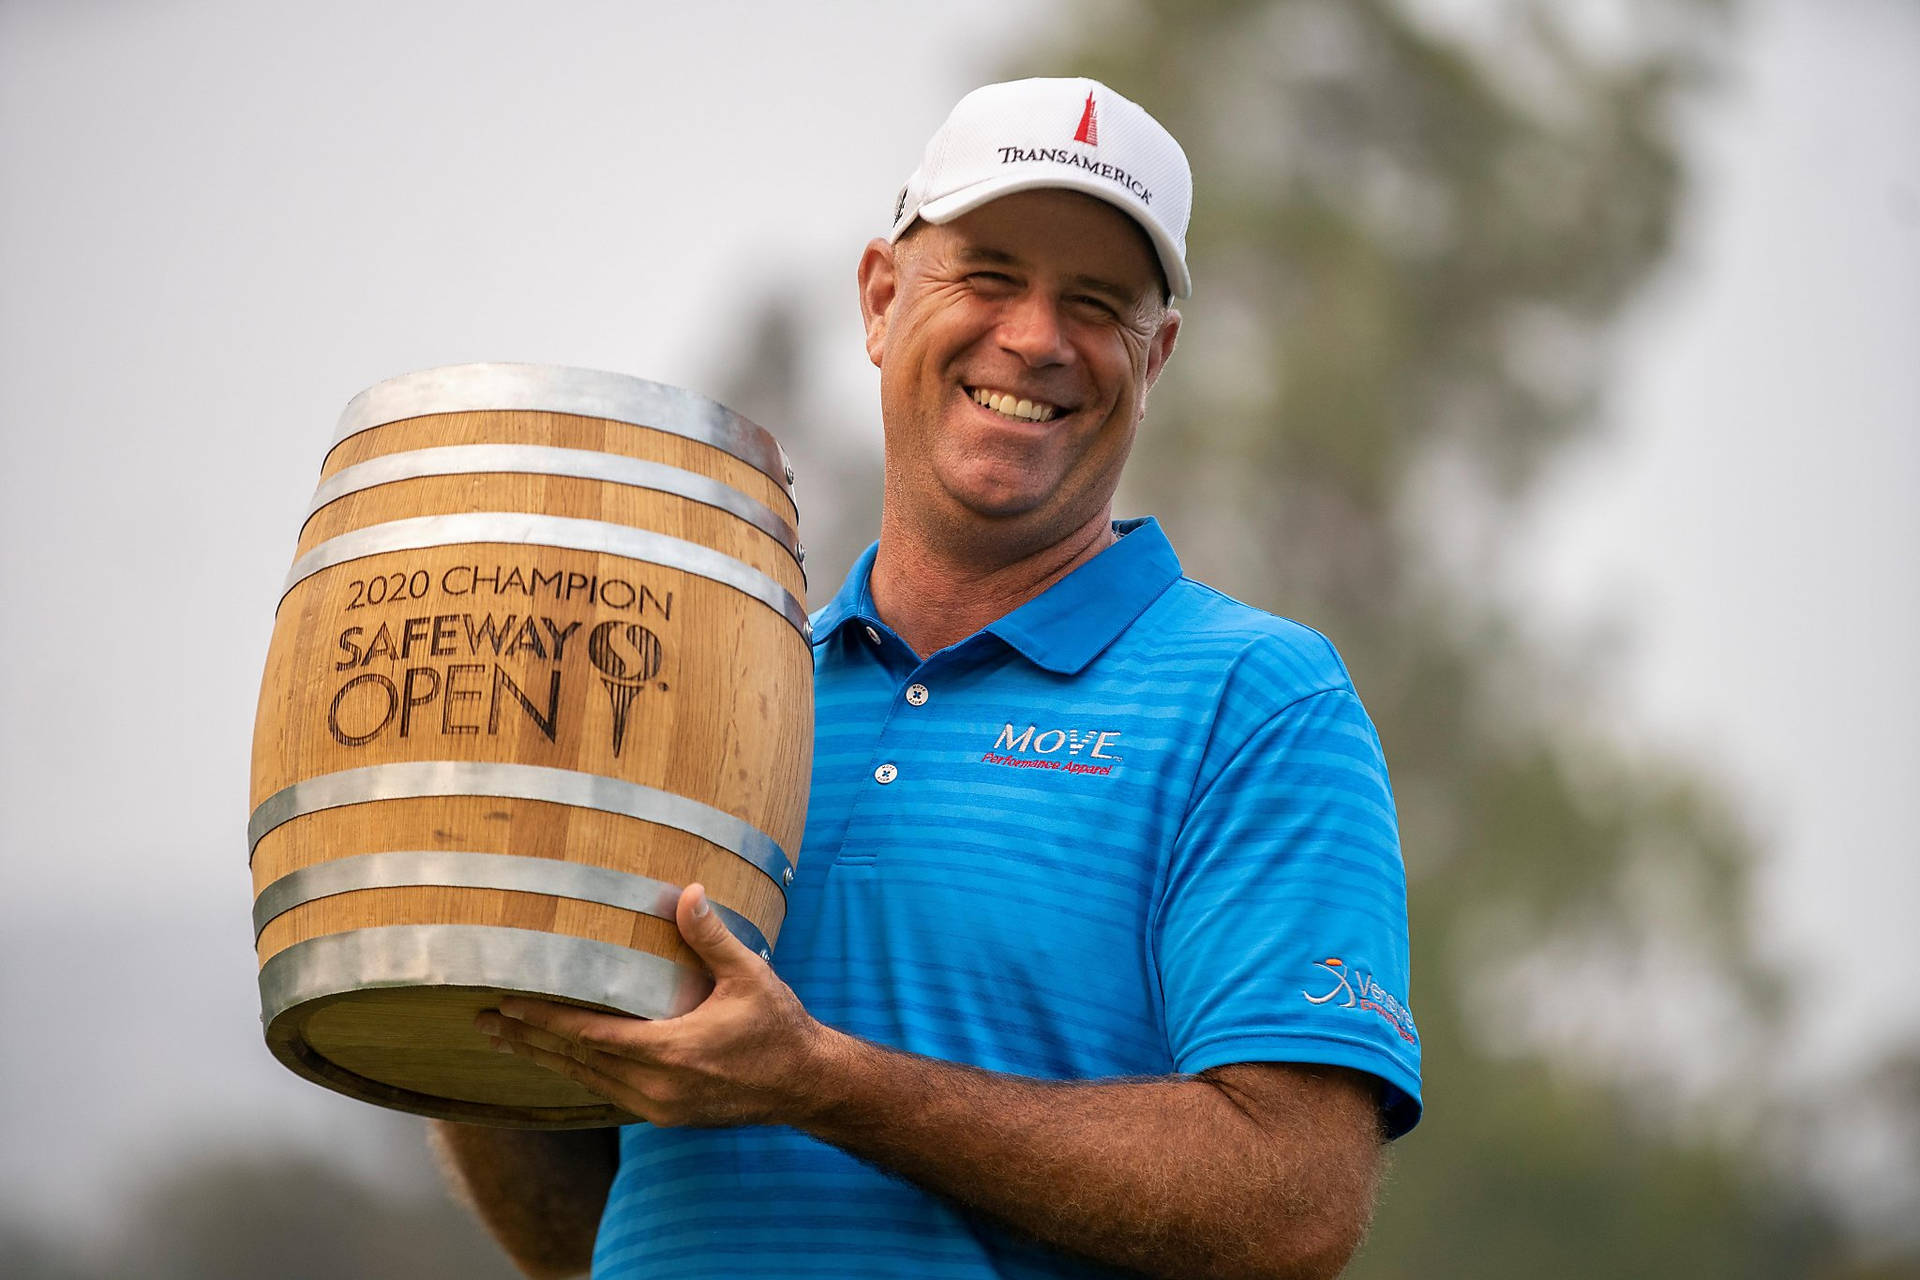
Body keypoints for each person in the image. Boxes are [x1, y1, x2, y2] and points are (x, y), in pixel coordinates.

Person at [434, 76, 1421, 1280]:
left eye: (1097, 302)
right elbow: (595, 1212)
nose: (1037, 337)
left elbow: (1294, 1202)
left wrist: (825, 1082)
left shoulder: (1258, 704)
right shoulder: (717, 698)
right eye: (990, 274)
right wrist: (480, 989)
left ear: (1154, 358)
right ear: (882, 298)